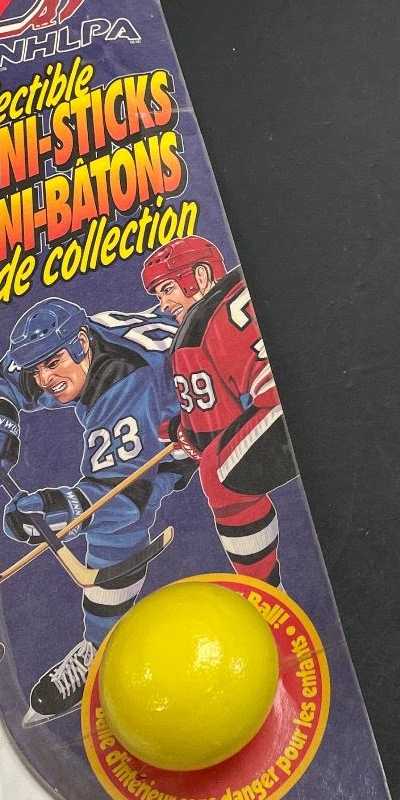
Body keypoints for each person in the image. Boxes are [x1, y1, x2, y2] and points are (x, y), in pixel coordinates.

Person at [0, 296, 190, 724]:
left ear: (82, 343)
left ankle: (101, 648)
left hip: (198, 413)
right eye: (38, 369)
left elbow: (123, 495)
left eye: (53, 364)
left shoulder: (120, 382)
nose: (45, 380)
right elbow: (14, 371)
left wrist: (61, 508)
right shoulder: (76, 340)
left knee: (117, 526)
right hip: (175, 371)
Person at [142, 236, 294, 586]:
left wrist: (182, 433)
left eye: (167, 289)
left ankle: (266, 595)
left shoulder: (191, 333)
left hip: (282, 406)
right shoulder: (246, 274)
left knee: (218, 474)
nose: (163, 304)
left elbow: (210, 438)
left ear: (200, 275)